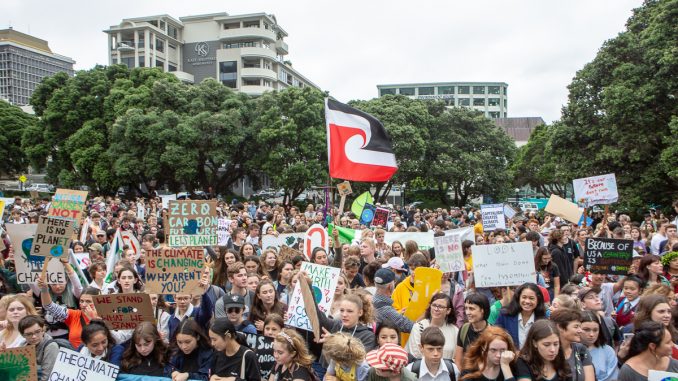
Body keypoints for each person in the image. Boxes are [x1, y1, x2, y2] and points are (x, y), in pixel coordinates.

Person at [405, 293, 458, 360]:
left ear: (448, 310)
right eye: (434, 305)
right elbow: (415, 354)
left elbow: (457, 357)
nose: (436, 309)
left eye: (441, 307)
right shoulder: (419, 327)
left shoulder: (455, 331)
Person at [494, 282, 547, 349]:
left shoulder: (543, 320)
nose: (527, 301)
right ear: (518, 298)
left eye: (531, 298)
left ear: (538, 300)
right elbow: (495, 336)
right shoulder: (505, 315)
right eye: (524, 297)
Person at [550, 309, 595, 381]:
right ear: (560, 327)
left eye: (580, 327)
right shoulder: (549, 352)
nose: (580, 330)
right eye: (576, 327)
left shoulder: (581, 350)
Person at [579, 311, 618, 381]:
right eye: (586, 330)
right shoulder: (571, 350)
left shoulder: (608, 351)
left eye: (595, 330)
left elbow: (613, 377)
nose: (591, 334)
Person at [455, 292, 491, 369]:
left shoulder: (492, 332)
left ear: (482, 310)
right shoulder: (464, 329)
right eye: (466, 308)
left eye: (472, 309)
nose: (467, 312)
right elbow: (458, 360)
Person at [372, 268, 413, 334]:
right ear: (390, 286)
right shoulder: (386, 309)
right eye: (394, 282)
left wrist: (397, 314)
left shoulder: (373, 300)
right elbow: (409, 326)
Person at [18, 315, 59, 381]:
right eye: (29, 334)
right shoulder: (23, 345)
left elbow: (47, 377)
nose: (34, 336)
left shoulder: (51, 346)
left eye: (37, 332)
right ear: (23, 335)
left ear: (43, 330)